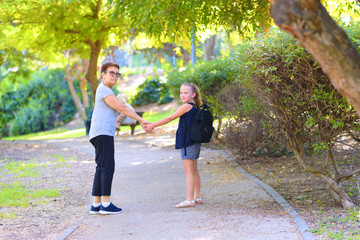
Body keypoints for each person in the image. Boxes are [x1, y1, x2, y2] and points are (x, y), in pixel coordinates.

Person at [88, 62, 150, 215]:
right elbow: (122, 108)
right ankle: (106, 204)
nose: (115, 76)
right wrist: (141, 120)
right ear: (103, 74)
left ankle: (96, 205)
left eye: (117, 73)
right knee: (107, 166)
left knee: (101, 167)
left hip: (100, 133)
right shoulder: (104, 90)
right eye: (111, 73)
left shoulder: (106, 90)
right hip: (103, 133)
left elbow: (121, 107)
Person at [145, 83, 203, 208]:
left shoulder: (186, 106)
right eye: (181, 92)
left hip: (188, 143)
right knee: (194, 171)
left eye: (186, 93)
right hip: (194, 142)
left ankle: (189, 200)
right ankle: (197, 197)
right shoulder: (195, 106)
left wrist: (153, 125)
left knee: (188, 172)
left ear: (193, 94)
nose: (182, 95)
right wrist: (153, 123)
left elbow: (169, 118)